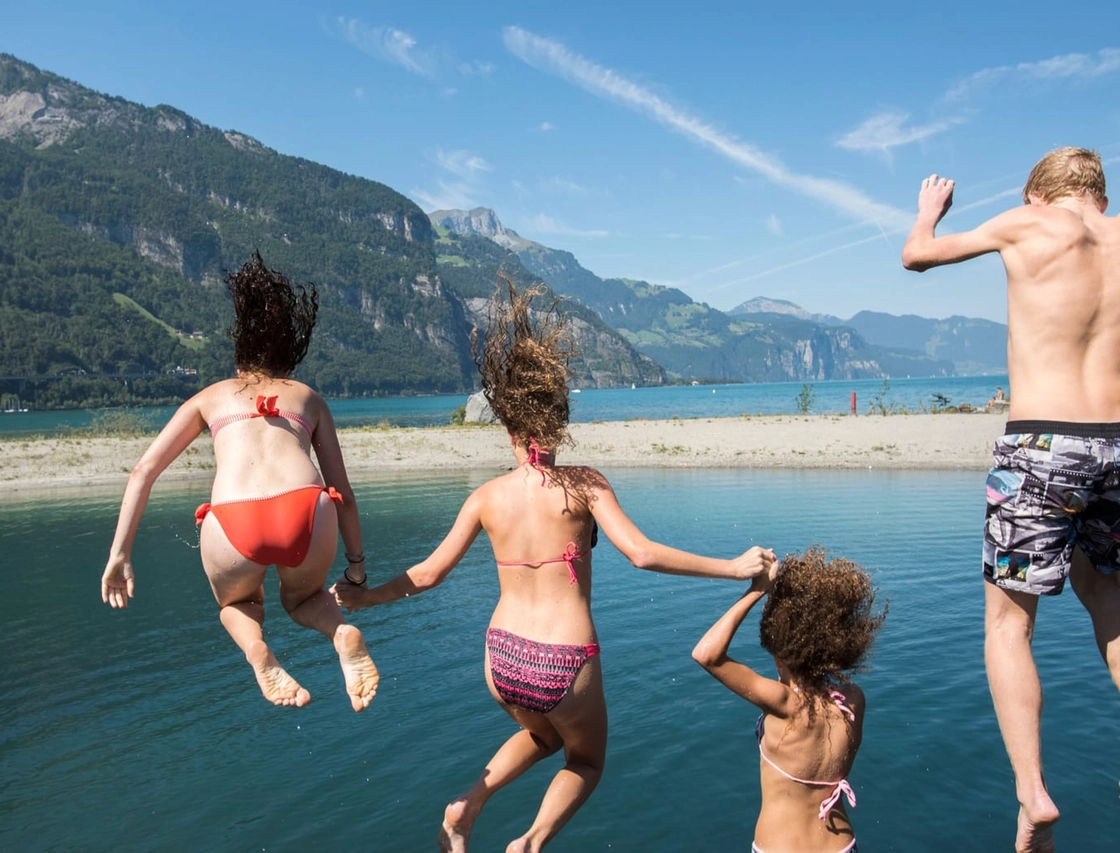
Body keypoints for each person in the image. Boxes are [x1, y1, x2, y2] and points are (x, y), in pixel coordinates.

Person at [333, 280, 774, 853]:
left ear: (510, 430)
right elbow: (640, 553)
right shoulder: (585, 484)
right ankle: (529, 844)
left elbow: (429, 574)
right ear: (557, 422)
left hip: (502, 659)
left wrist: (365, 599)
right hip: (564, 662)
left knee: (539, 735)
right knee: (586, 759)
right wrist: (734, 567)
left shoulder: (486, 496)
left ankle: (467, 802)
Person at [902, 147, 1120, 852]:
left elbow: (917, 257)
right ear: (1100, 199)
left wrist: (927, 214)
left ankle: (1031, 793)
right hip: (1116, 444)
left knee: (1008, 626)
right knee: (1109, 595)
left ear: (1037, 193)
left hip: (1041, 447)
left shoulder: (1026, 224)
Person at [101, 253, 378, 712]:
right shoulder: (309, 398)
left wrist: (119, 555)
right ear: (289, 354)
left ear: (239, 353)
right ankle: (340, 633)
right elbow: (343, 494)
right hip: (306, 514)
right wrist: (357, 568)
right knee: (304, 597)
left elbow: (143, 472)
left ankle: (256, 650)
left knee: (239, 606)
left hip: (233, 523)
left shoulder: (210, 397)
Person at [693, 547, 885, 853]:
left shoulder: (784, 703)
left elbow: (707, 654)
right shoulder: (853, 702)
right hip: (841, 846)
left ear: (781, 652)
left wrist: (757, 591)